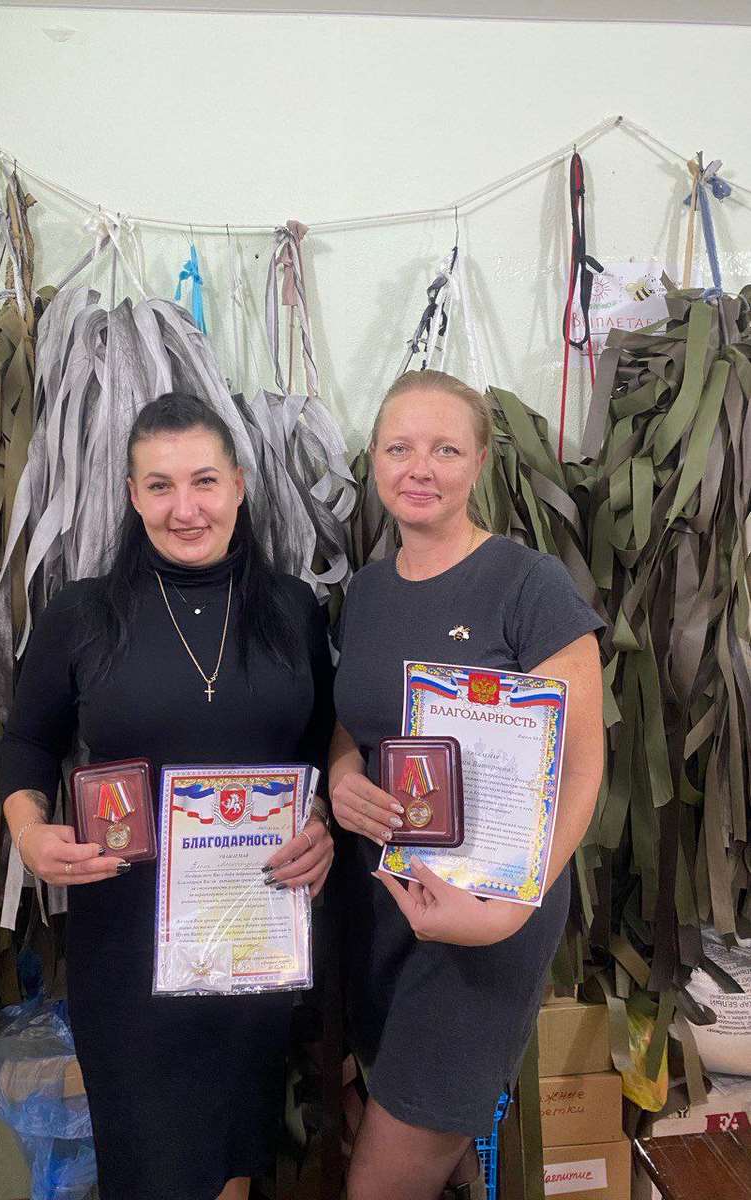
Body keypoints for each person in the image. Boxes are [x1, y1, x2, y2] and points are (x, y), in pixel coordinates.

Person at [0, 393, 335, 1200]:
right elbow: (28, 743)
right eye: (160, 485)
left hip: (256, 932)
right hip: (128, 945)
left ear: (240, 486)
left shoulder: (292, 609)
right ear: (132, 494)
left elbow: (322, 750)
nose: (186, 509)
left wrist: (322, 823)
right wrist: (29, 832)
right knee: (149, 1166)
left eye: (204, 481)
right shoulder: (81, 614)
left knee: (234, 1154)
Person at [329, 370, 604, 1200]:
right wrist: (342, 773)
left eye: (446, 449)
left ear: (480, 462)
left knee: (386, 1174)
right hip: (383, 903)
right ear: (375, 461)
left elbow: (581, 765)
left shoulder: (530, 584)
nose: (421, 467)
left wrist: (512, 907)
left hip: (487, 917)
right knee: (425, 1153)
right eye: (400, 447)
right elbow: (356, 721)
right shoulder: (367, 592)